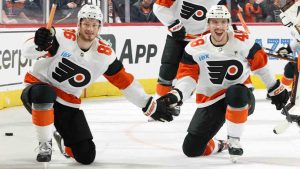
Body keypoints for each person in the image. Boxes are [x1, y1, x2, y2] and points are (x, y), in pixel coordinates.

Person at [21, 4, 174, 165]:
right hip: (36, 88)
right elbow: (27, 50)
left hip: (67, 102)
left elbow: (125, 82)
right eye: (86, 24)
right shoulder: (60, 37)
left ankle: (61, 136)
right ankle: (44, 144)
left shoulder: (104, 55)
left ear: (100, 27)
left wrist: (148, 104)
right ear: (78, 24)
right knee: (44, 94)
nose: (90, 29)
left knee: (86, 156)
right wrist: (39, 44)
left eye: (95, 25)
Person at [157, 5, 289, 162]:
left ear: (228, 23)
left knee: (236, 92)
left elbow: (261, 67)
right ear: (208, 24)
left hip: (242, 97)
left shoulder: (244, 42)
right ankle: (222, 145)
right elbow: (188, 79)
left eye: (222, 22)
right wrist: (175, 95)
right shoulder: (193, 48)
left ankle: (234, 140)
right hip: (211, 100)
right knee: (191, 149)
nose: (219, 27)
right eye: (214, 22)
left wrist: (275, 88)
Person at [152, 0, 227, 115]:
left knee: (191, 74)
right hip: (176, 37)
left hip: (199, 41)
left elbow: (219, 15)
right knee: (167, 71)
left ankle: (175, 102)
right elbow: (159, 7)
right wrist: (173, 25)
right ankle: (157, 105)